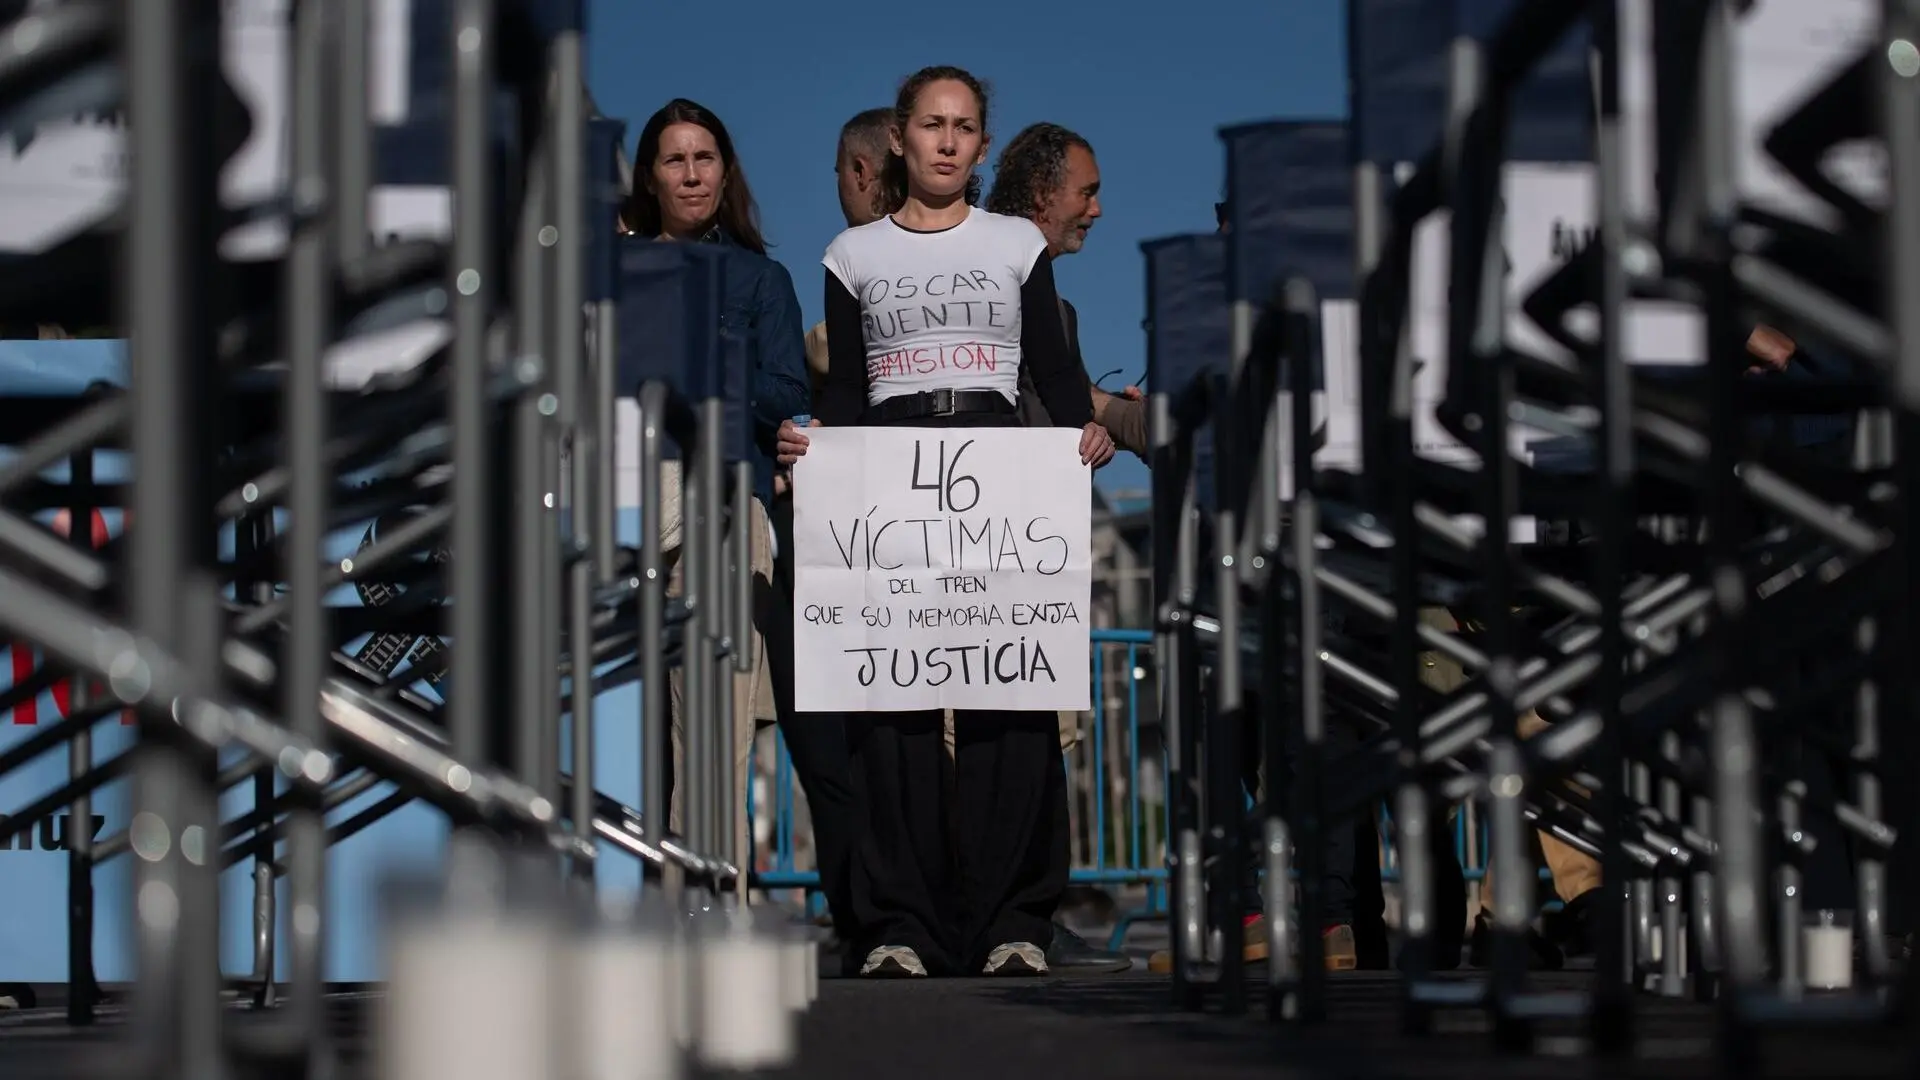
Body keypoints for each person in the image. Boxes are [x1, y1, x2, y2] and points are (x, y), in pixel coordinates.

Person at [778, 65, 1112, 978]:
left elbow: (1051, 364)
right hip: (887, 465)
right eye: (933, 124)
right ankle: (901, 927)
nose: (949, 141)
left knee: (1012, 705)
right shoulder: (853, 258)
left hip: (1000, 462)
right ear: (902, 136)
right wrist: (817, 452)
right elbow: (845, 388)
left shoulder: (1016, 244)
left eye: (966, 126)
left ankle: (1015, 923)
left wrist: (1088, 427)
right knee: (893, 710)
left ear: (982, 143)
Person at [621, 99, 811, 875]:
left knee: (710, 734)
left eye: (704, 158)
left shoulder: (760, 278)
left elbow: (786, 386)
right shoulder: (613, 271)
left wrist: (701, 363)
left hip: (723, 501)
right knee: (619, 733)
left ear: (725, 171)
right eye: (675, 159)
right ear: (651, 176)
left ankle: (700, 908)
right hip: (624, 500)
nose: (692, 173)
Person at [979, 122, 1144, 974]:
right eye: (1086, 191)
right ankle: (1011, 918)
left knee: (1040, 742)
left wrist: (1102, 423)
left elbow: (1065, 403)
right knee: (1004, 742)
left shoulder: (1062, 308)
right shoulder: (985, 275)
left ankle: (1026, 917)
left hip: (1032, 547)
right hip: (981, 543)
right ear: (1043, 194)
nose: (1097, 208)